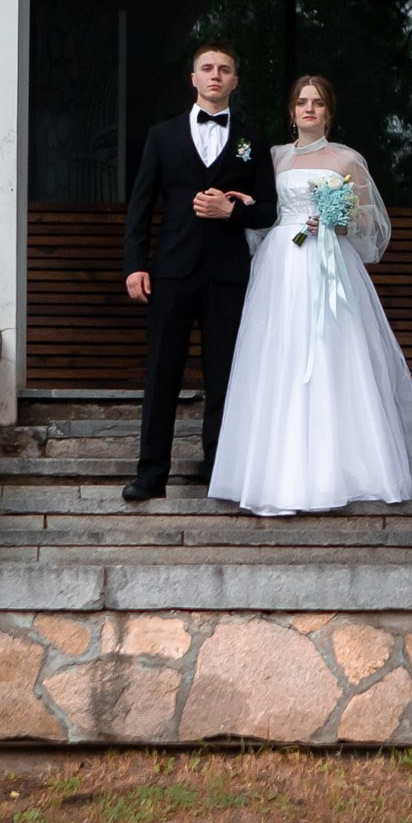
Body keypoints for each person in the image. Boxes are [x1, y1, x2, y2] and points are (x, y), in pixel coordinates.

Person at [210, 74, 412, 514]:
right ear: (292, 111)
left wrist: (338, 222)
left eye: (317, 103)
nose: (309, 109)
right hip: (282, 264)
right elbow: (266, 212)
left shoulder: (346, 159)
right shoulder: (274, 157)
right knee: (279, 355)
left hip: (329, 265)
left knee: (334, 355)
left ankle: (344, 471)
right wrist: (246, 207)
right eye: (302, 102)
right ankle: (274, 476)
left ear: (329, 112)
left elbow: (370, 223)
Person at [120, 44, 273, 501]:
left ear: (235, 81)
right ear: (194, 78)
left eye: (224, 69)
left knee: (224, 376)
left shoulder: (252, 140)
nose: (215, 75)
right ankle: (150, 475)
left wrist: (232, 211)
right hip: (172, 269)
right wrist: (135, 265)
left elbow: (269, 210)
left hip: (228, 272)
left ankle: (220, 472)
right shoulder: (162, 135)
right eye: (207, 68)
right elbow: (141, 205)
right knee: (161, 372)